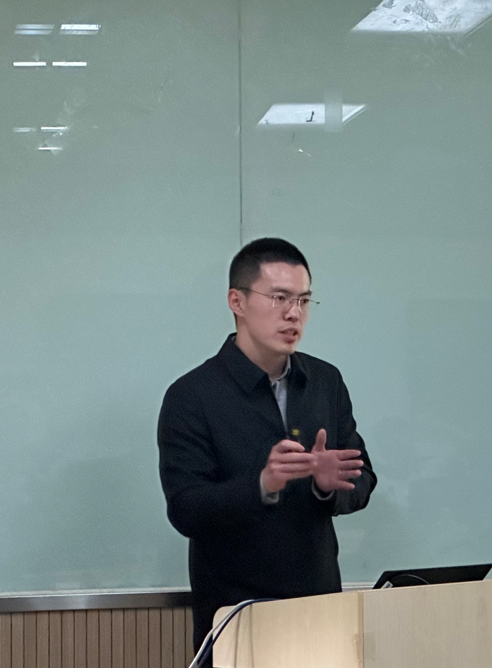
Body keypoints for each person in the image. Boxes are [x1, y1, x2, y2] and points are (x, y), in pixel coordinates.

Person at [157, 238, 377, 651]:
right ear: (236, 301)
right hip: (237, 618)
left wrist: (327, 486)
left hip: (320, 611)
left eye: (304, 300)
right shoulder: (192, 396)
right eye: (279, 298)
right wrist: (262, 484)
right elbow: (186, 509)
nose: (294, 313)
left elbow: (363, 479)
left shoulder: (324, 382)